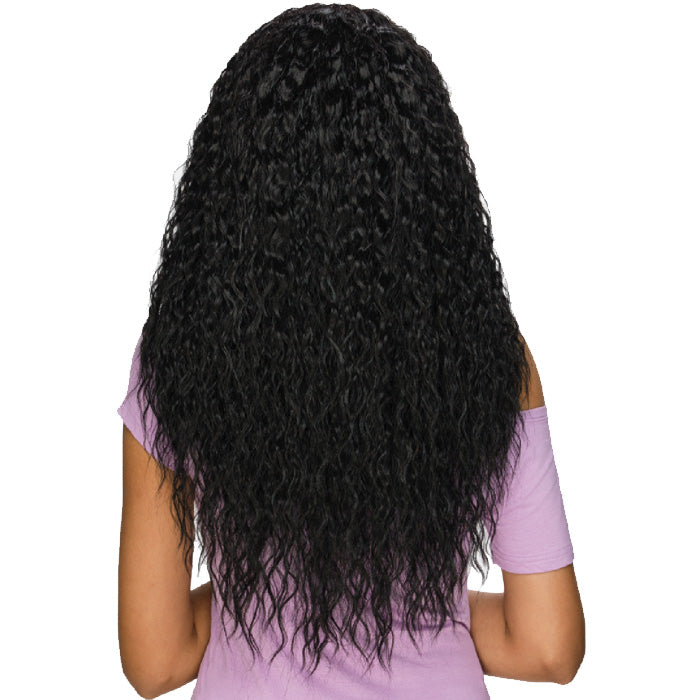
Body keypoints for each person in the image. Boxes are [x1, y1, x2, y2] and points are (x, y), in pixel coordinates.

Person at [117, 4, 585, 698]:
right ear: (427, 182)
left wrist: (267, 596)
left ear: (235, 178)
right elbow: (547, 647)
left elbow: (156, 660)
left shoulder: (180, 355)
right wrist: (410, 605)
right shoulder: (490, 354)